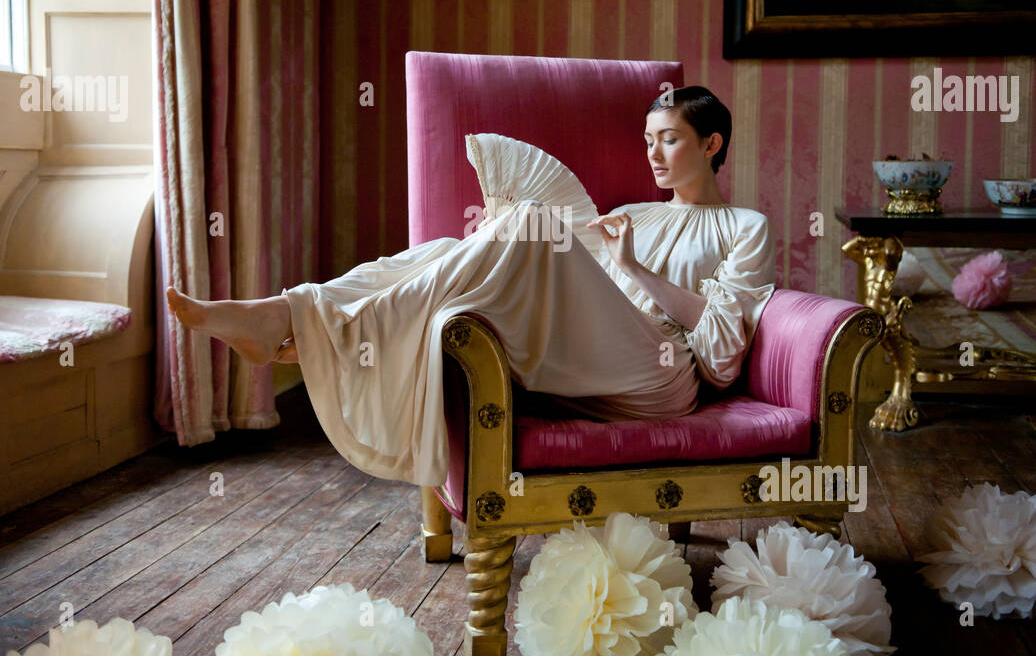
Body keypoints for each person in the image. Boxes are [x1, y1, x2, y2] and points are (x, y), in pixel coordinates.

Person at [166, 86, 776, 487]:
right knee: (451, 246)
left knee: (533, 222)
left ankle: (299, 331)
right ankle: (294, 312)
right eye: (647, 140)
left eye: (668, 138)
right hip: (598, 364)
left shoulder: (747, 226)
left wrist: (636, 270)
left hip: (664, 380)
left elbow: (722, 356)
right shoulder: (634, 214)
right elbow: (578, 294)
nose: (654, 154)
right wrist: (499, 243)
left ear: (711, 143)